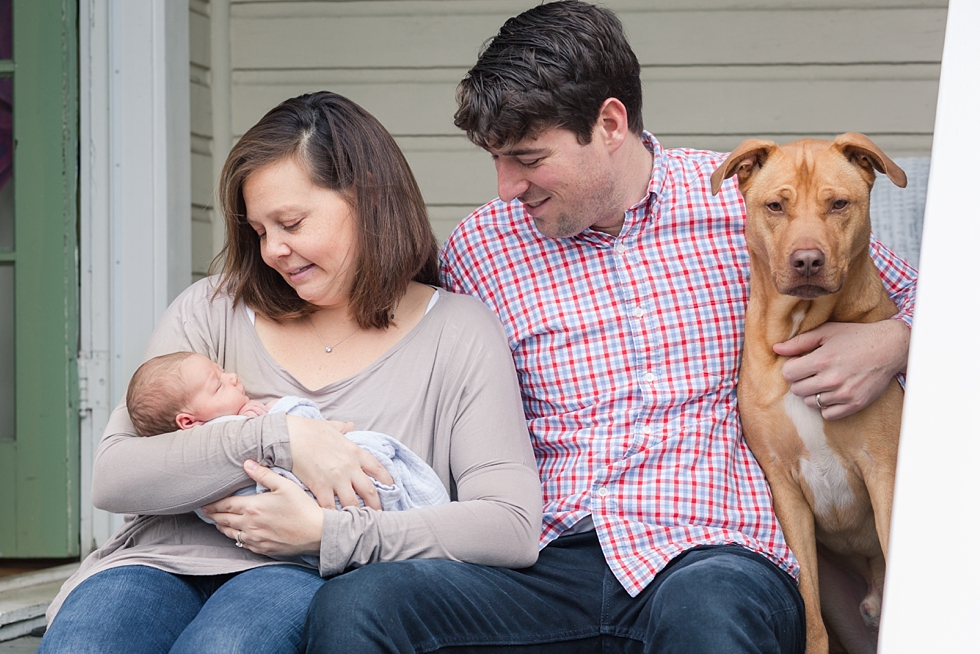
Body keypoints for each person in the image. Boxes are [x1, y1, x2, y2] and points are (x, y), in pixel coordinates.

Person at [302, 2, 917, 653]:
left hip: (707, 552)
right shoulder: (480, 249)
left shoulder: (746, 207)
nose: (507, 186)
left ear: (610, 123)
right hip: (540, 561)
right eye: (496, 160)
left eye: (528, 158)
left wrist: (894, 340)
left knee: (712, 616)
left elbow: (926, 300)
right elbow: (391, 358)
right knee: (359, 605)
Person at [39, 91, 541, 654]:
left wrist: (331, 535)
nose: (274, 250)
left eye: (292, 222)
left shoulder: (457, 331)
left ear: (369, 198)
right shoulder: (211, 309)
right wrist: (281, 436)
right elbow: (115, 476)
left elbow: (509, 525)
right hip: (158, 559)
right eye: (259, 231)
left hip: (301, 572)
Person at [125, 351, 451, 530]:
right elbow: (297, 424)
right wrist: (282, 416)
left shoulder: (238, 421)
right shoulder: (212, 443)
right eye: (218, 385)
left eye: (222, 371)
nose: (232, 377)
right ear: (189, 423)